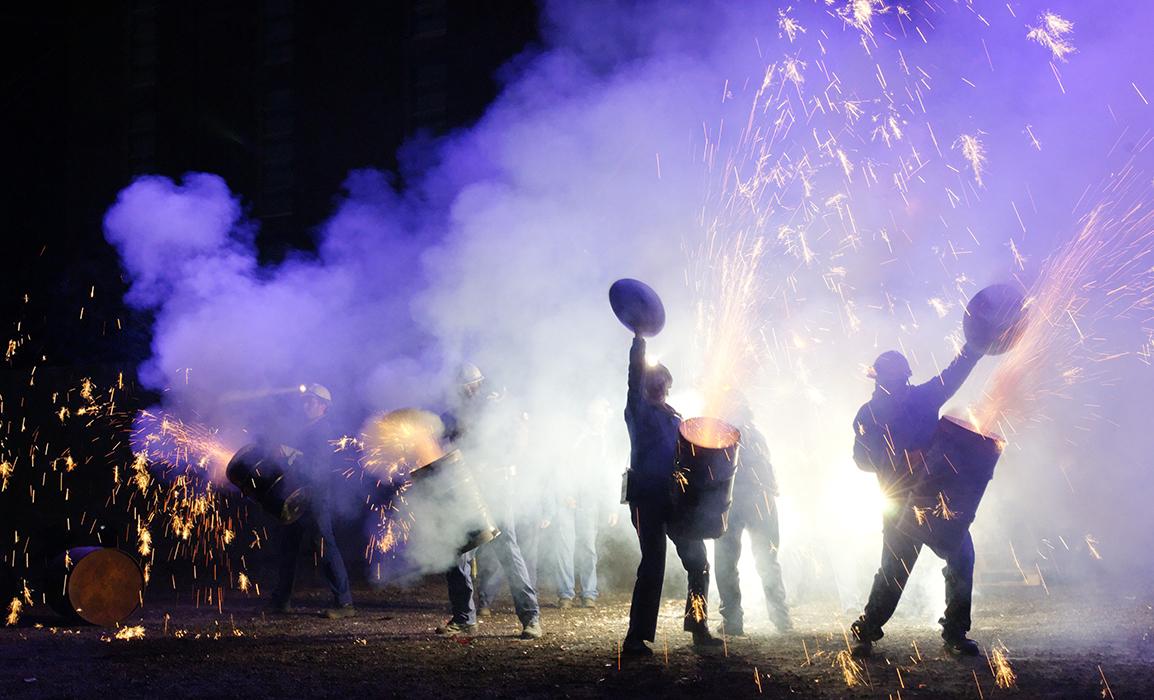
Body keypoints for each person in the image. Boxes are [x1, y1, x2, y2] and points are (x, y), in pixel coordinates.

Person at [849, 346, 984, 658]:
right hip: (898, 502)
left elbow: (952, 376)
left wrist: (972, 349)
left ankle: (955, 632)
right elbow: (860, 459)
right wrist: (898, 458)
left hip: (935, 499)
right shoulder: (867, 415)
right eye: (891, 379)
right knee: (894, 570)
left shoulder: (921, 399)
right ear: (879, 379)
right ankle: (867, 628)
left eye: (898, 379)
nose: (895, 385)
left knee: (961, 558)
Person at [621, 333, 722, 656]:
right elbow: (634, 376)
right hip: (646, 498)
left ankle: (698, 625)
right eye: (655, 382)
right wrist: (639, 341)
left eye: (664, 383)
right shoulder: (637, 411)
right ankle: (636, 638)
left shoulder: (676, 417)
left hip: (676, 499)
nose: (660, 387)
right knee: (653, 563)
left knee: (698, 561)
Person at [435, 364, 543, 640]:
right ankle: (464, 619)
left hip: (494, 488)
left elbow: (519, 441)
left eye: (470, 386)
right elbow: (439, 449)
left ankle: (531, 618)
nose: (468, 391)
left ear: (478, 385)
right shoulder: (451, 416)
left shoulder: (497, 410)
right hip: (463, 491)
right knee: (457, 551)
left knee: (507, 548)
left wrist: (502, 463)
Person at [269, 383, 356, 619]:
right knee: (288, 546)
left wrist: (290, 453)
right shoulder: (306, 428)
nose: (306, 404)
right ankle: (281, 600)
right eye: (305, 401)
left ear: (324, 407)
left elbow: (319, 466)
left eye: (311, 401)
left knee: (325, 545)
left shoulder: (323, 430)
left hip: (316, 496)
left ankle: (345, 604)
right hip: (299, 494)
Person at [714, 397, 792, 636]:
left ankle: (733, 621)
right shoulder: (756, 435)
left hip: (733, 502)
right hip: (760, 501)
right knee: (767, 559)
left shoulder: (722, 436)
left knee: (727, 561)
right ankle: (781, 618)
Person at [551, 398, 617, 609]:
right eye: (596, 415)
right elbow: (561, 465)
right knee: (565, 546)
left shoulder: (605, 441)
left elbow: (609, 475)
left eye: (602, 416)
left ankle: (589, 593)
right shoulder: (575, 436)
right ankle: (566, 594)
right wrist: (565, 493)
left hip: (589, 500)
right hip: (567, 499)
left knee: (588, 547)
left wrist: (612, 505)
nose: (600, 420)